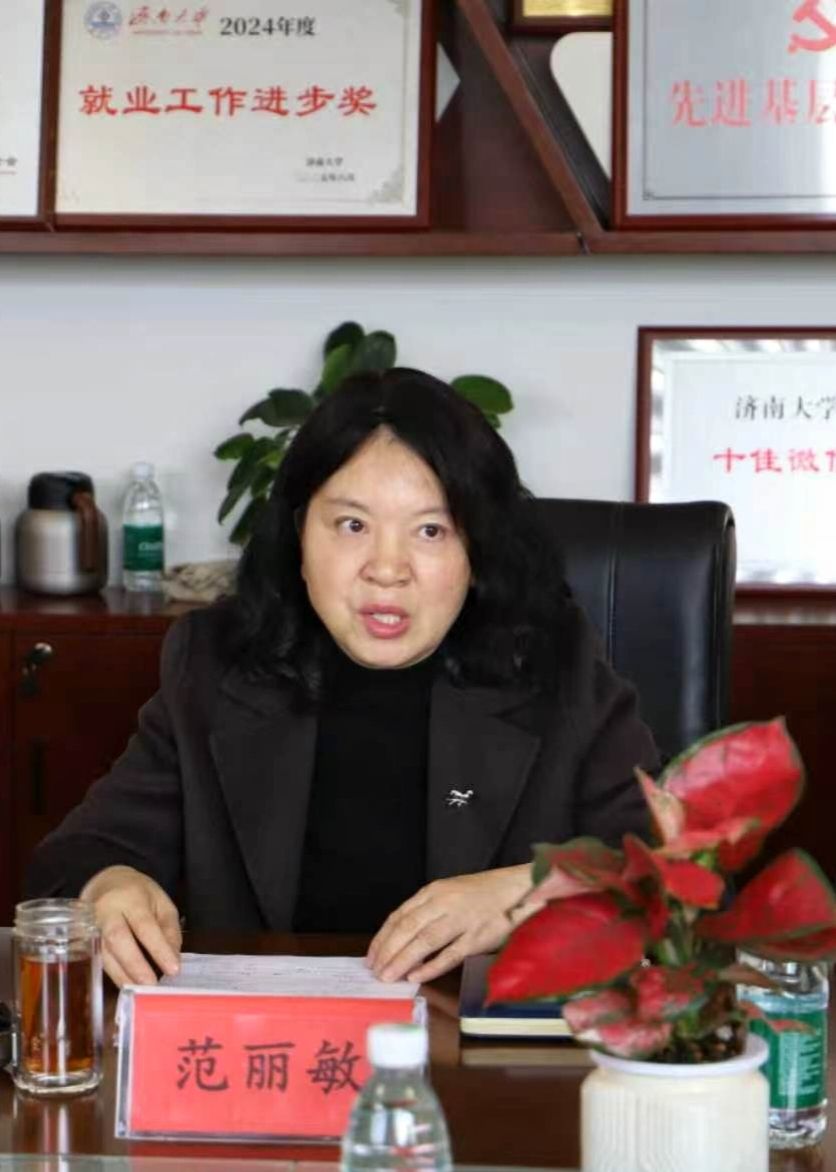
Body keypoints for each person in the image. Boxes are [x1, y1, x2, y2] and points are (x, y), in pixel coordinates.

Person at [27, 368, 658, 989]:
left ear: (477, 552)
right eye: (353, 525)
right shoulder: (218, 662)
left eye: (431, 530)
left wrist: (529, 892)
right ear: (299, 534)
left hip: (469, 1048)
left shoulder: (552, 665)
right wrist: (110, 886)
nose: (387, 569)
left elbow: (667, 868)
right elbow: (77, 856)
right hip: (272, 1040)